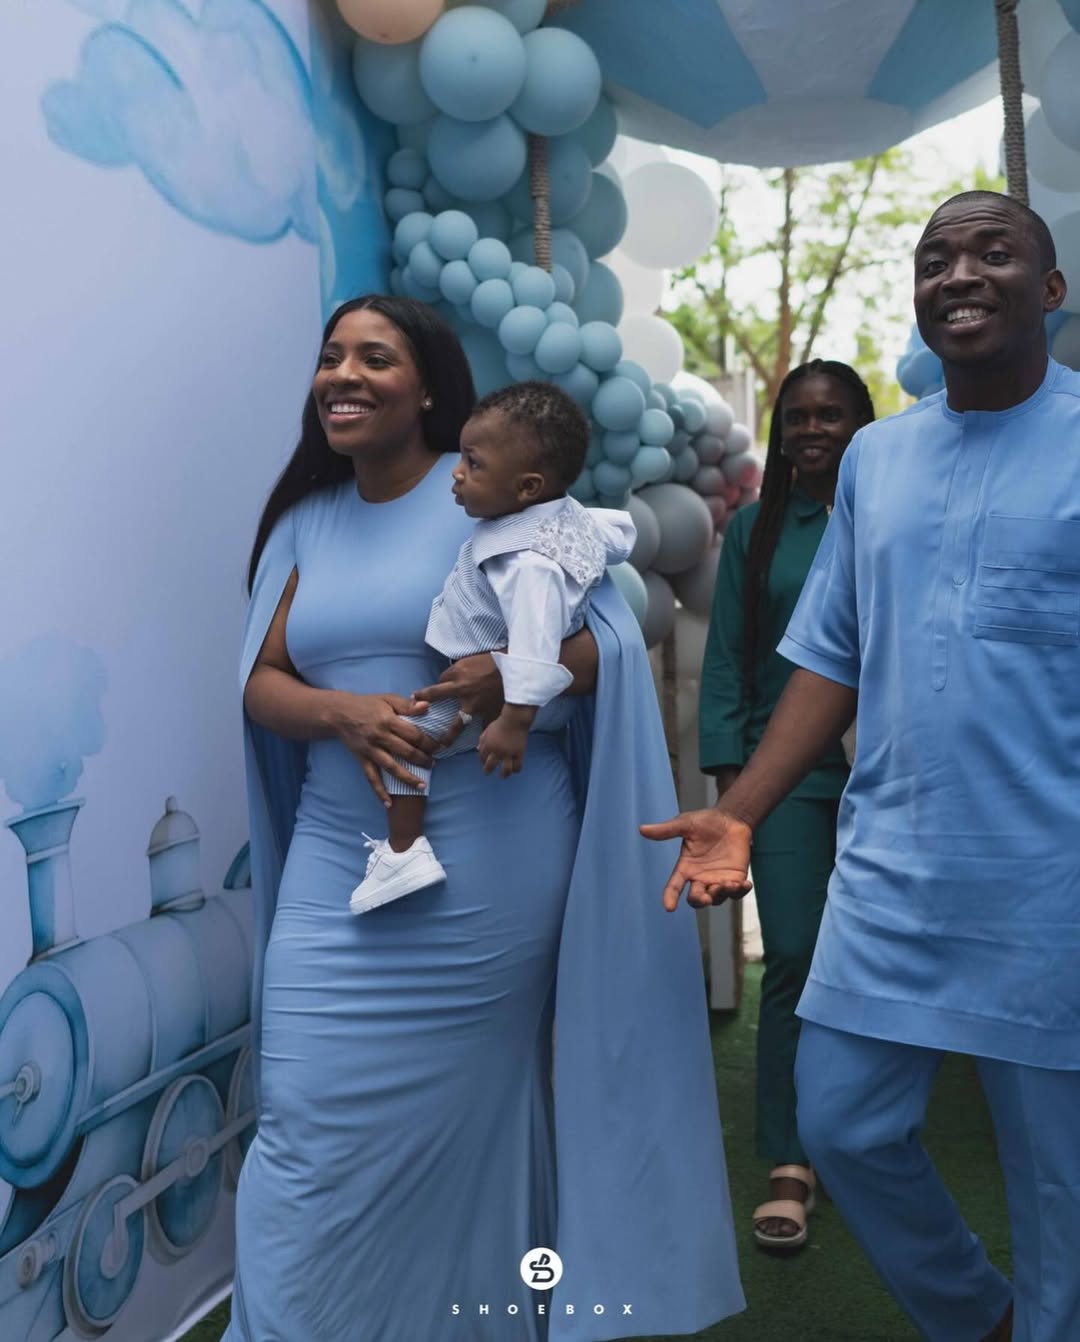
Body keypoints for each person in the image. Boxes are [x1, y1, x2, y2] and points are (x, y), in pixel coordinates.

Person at [226, 294, 744, 1341]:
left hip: (493, 864)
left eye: (375, 357)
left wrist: (513, 674)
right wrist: (344, 714)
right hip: (340, 863)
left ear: (428, 389)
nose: (345, 375)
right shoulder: (302, 524)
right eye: (331, 357)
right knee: (300, 1119)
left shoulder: (509, 503)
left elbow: (602, 656)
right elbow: (261, 682)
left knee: (462, 1117)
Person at [643, 190, 1078, 1342]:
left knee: (1061, 1189)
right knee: (837, 1120)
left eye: (996, 252)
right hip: (893, 870)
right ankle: (977, 1313)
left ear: (1051, 290)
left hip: (1052, 878)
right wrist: (737, 810)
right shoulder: (877, 461)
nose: (960, 273)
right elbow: (830, 660)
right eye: (936, 258)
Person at [699, 359, 874, 1251]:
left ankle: (870, 1138)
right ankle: (791, 1156)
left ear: (861, 424)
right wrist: (734, 795)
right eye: (798, 417)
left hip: (892, 774)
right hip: (788, 776)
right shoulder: (754, 531)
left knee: (877, 960)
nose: (813, 430)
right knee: (798, 955)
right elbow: (727, 657)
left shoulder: (890, 515)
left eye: (831, 415)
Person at [349, 380, 634, 915]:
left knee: (403, 742)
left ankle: (404, 852)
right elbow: (610, 535)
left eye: (474, 465)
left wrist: (514, 721)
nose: (457, 473)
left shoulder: (527, 563)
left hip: (480, 688)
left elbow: (532, 646)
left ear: (527, 487)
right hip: (489, 684)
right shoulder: (561, 518)